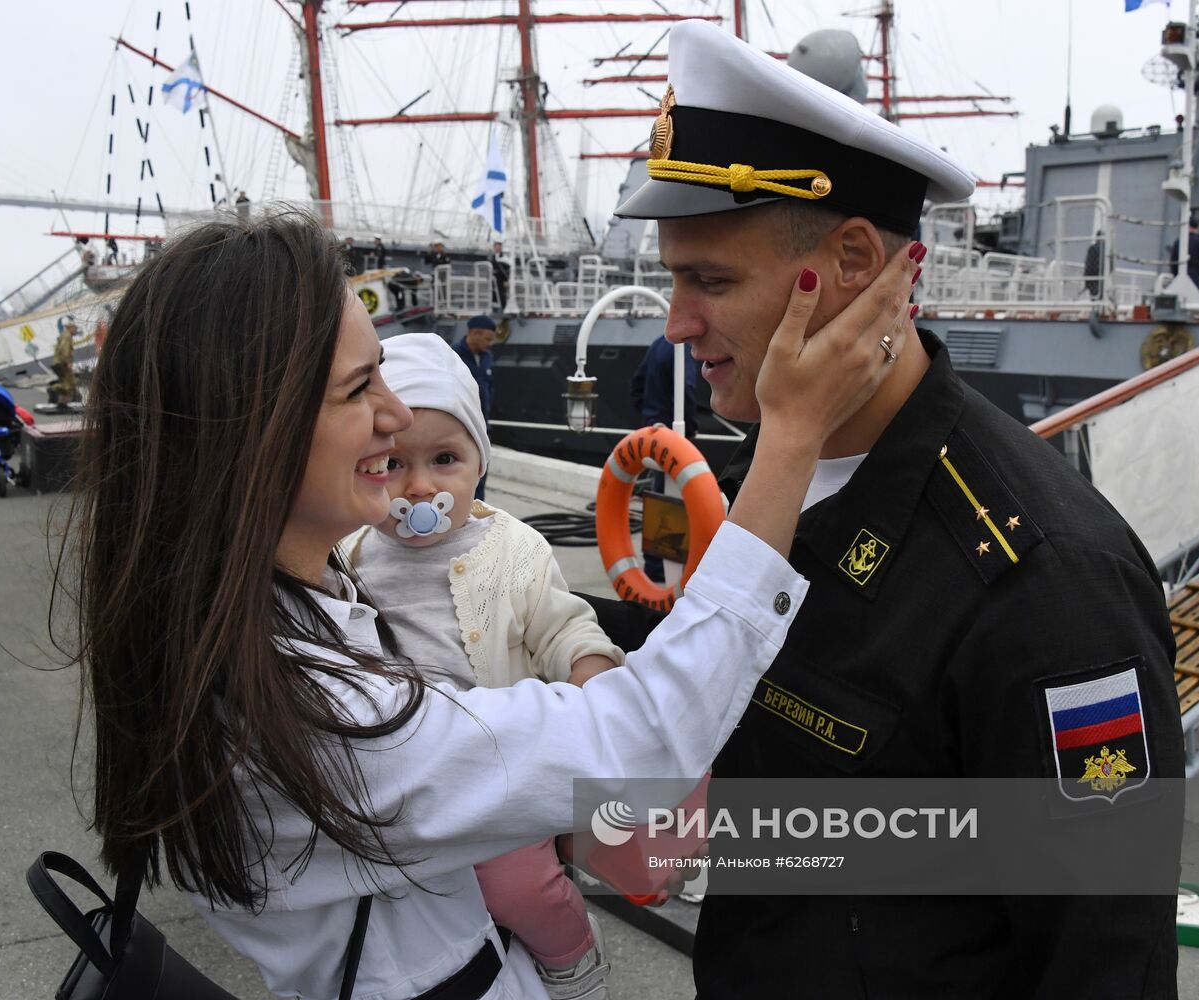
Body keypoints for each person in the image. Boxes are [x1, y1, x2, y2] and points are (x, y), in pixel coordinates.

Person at [62, 211, 914, 1000]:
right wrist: (792, 437)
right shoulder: (313, 719)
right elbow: (639, 742)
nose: (395, 417)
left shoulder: (227, 622)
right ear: (257, 429)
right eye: (361, 390)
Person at [599, 21, 1183, 998]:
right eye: (672, 277)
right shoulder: (780, 478)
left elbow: (1103, 962)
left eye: (710, 279)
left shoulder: (1046, 584)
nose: (677, 323)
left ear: (858, 260)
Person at [343, 333, 624, 998]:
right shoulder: (350, 554)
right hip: (406, 779)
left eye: (444, 460)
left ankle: (572, 952)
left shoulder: (513, 548)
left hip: (500, 776)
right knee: (429, 898)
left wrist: (589, 671)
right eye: (393, 464)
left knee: (518, 885)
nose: (420, 487)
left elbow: (562, 623)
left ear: (477, 463)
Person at [627, 334, 699, 583]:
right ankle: (663, 566)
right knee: (674, 502)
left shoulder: (657, 344)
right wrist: (689, 427)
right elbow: (687, 389)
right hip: (674, 435)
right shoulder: (682, 349)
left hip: (655, 432)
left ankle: (655, 563)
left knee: (659, 495)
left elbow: (635, 385)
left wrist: (650, 419)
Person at [454, 314, 496, 501]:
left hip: (482, 422)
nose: (490, 343)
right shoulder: (452, 355)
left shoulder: (487, 356)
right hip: (460, 423)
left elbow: (490, 385)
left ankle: (477, 507)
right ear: (474, 333)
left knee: (481, 467)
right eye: (487, 338)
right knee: (461, 469)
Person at [1169, 221, 1199, 288]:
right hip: (1195, 272)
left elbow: (1173, 260)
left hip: (1180, 272)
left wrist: (1175, 274)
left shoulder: (1179, 241)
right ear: (1196, 229)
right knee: (1193, 294)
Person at [50, 317, 78, 407]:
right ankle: (54, 389)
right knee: (69, 383)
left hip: (59, 362)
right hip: (62, 362)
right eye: (75, 328)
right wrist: (67, 362)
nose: (76, 330)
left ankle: (62, 401)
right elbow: (64, 349)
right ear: (70, 327)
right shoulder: (67, 336)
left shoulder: (64, 335)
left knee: (67, 383)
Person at [1083, 230, 1106, 300]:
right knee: (1102, 298)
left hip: (1094, 280)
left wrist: (1087, 282)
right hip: (1104, 280)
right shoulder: (1107, 250)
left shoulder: (1093, 249)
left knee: (1095, 300)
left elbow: (1089, 266)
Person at [490, 240, 511, 311]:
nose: (498, 248)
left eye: (500, 247)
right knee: (493, 294)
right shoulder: (492, 258)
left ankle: (504, 309)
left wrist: (506, 280)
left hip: (502, 280)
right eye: (497, 247)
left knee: (502, 295)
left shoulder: (505, 258)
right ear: (494, 247)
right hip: (493, 279)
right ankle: (494, 309)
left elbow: (508, 270)